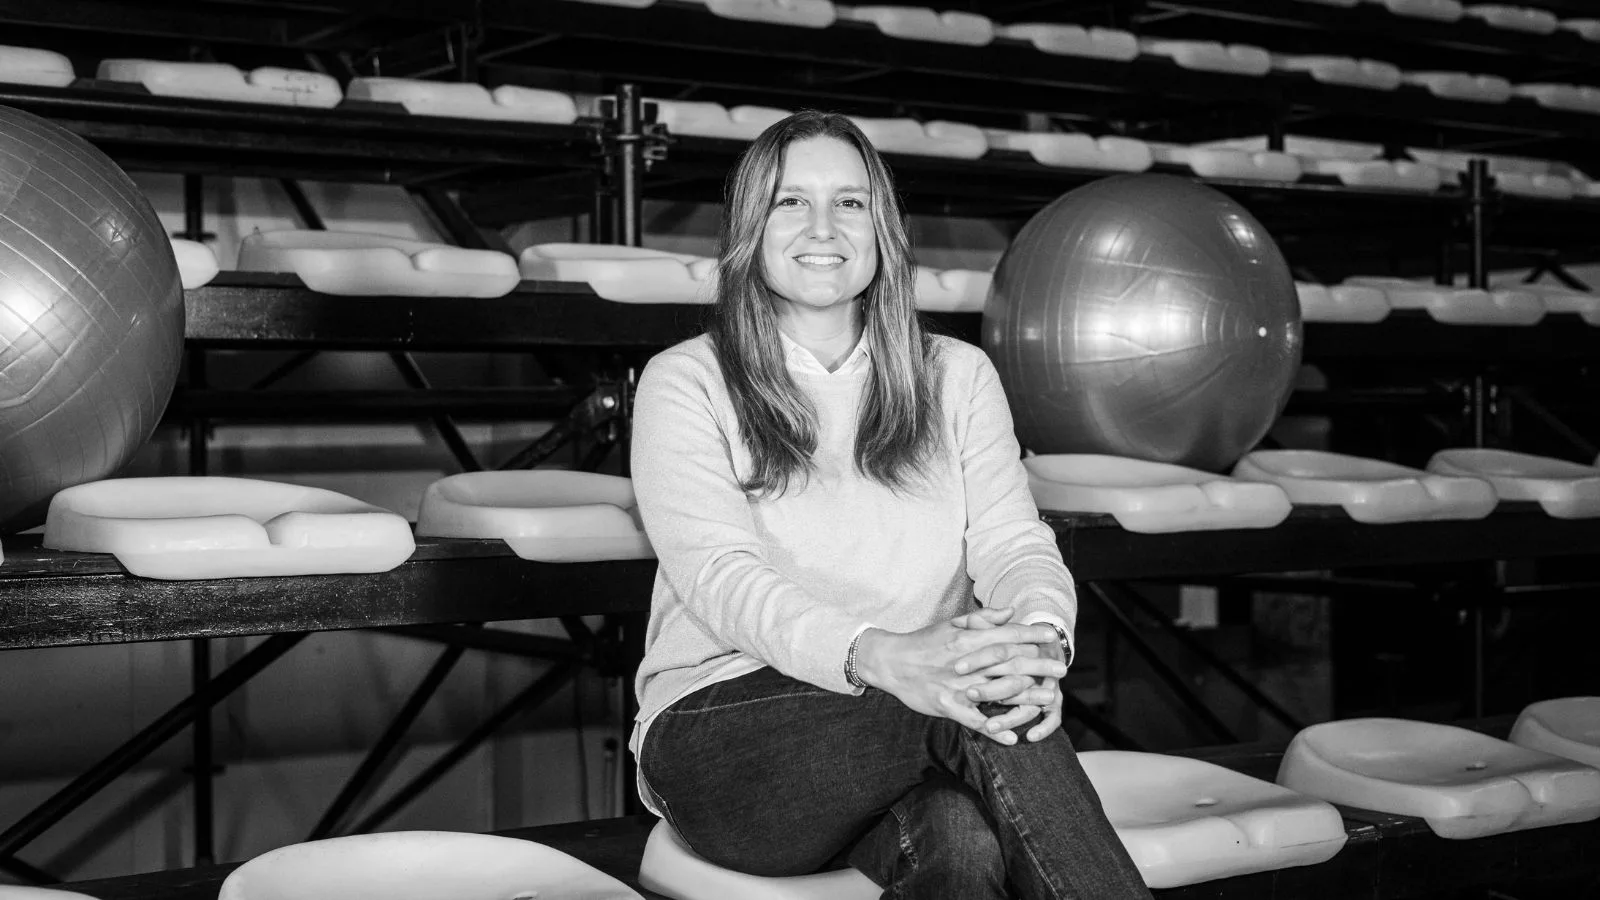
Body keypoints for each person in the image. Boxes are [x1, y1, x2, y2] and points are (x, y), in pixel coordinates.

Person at [629, 110, 1151, 900]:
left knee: (960, 844)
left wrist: (1039, 636)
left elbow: (1012, 541)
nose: (823, 227)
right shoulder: (688, 381)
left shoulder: (958, 375)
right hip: (723, 736)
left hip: (915, 718)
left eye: (850, 201)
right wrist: (884, 657)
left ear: (883, 227)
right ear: (750, 228)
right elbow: (722, 579)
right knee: (974, 701)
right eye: (790, 202)